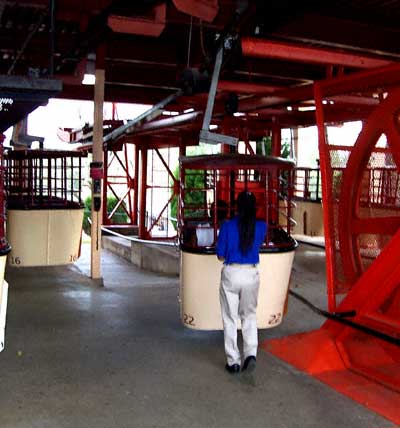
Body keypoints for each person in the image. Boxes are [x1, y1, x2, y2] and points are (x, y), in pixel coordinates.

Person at [216, 191, 267, 374]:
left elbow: (221, 256)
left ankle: (233, 362)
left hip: (232, 273)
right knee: (249, 315)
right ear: (254, 207)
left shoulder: (227, 226)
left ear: (237, 206)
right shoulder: (261, 227)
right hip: (251, 274)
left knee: (230, 318)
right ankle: (251, 354)